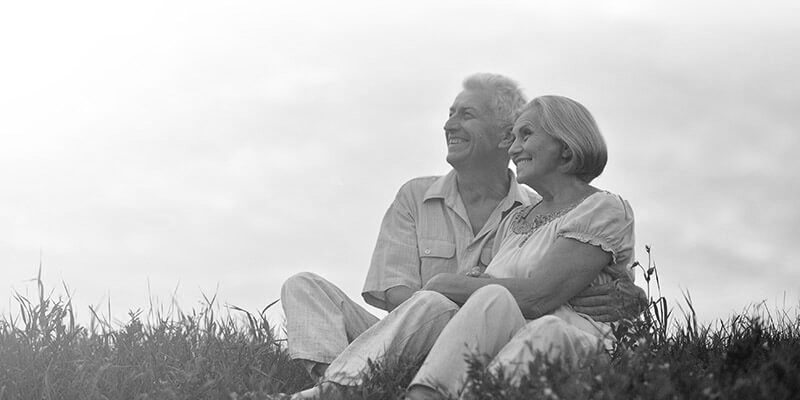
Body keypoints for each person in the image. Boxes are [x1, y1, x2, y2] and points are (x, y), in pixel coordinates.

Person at [278, 75, 646, 388]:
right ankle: (345, 383)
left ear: (503, 137)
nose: (449, 124)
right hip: (417, 323)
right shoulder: (416, 195)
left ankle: (357, 383)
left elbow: (546, 287)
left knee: (439, 304)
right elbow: (394, 292)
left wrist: (628, 297)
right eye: (450, 113)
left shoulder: (539, 209)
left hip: (481, 332)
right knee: (303, 285)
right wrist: (450, 293)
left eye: (466, 114)